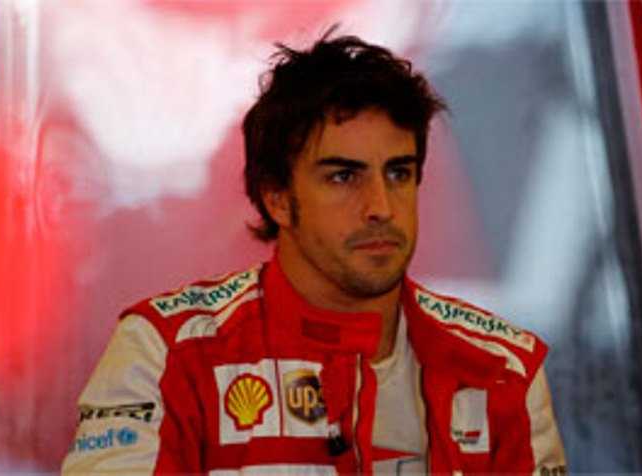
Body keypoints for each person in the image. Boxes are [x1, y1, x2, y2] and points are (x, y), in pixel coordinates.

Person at [62, 30, 567, 475]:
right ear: (277, 198)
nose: (381, 207)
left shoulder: (502, 369)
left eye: (399, 173)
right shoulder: (165, 354)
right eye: (343, 176)